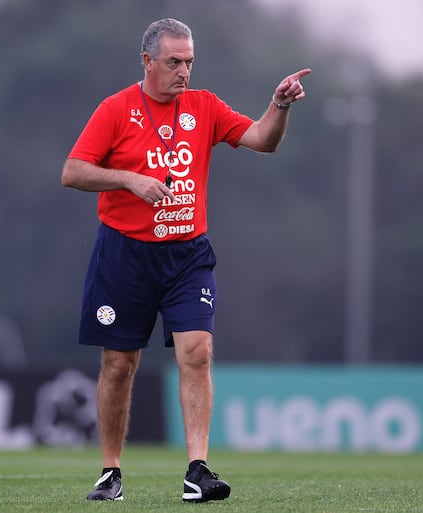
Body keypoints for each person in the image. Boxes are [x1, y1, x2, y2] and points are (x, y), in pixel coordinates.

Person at [61, 17, 310, 503]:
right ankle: (110, 472)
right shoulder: (116, 109)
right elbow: (72, 172)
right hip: (124, 254)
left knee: (196, 352)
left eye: (189, 61)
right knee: (118, 364)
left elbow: (263, 140)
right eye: (174, 62)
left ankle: (197, 470)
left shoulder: (205, 106)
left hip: (187, 255)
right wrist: (128, 179)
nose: (184, 72)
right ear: (147, 61)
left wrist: (278, 106)